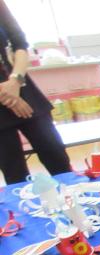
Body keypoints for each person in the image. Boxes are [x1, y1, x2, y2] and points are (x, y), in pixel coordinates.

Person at [0, 0, 70, 184]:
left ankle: (75, 198)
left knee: (56, 155)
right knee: (15, 174)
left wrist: (15, 81)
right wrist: (8, 96)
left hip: (23, 90)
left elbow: (20, 43)